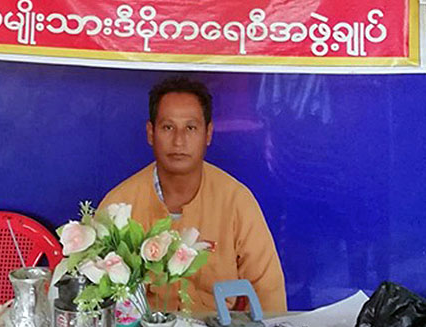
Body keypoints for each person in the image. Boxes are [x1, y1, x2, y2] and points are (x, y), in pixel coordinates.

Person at [98, 76, 287, 312]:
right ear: (150, 133)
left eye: (191, 128)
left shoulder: (236, 200)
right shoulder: (118, 204)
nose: (179, 141)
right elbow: (97, 298)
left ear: (208, 133)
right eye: (168, 127)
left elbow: (268, 290)